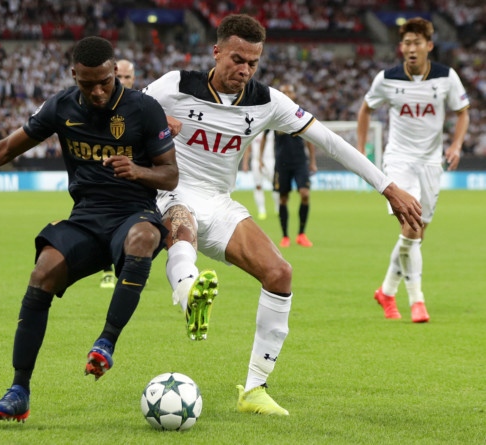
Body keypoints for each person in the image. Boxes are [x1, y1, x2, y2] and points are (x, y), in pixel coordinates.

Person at [143, 14, 422, 416]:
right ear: (216, 51)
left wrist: (388, 186)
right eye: (237, 59)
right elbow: (125, 111)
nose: (244, 70)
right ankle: (189, 295)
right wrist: (151, 121)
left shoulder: (266, 102)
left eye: (253, 63)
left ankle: (254, 390)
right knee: (182, 223)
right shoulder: (174, 86)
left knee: (280, 273)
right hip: (171, 191)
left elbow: (329, 140)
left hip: (220, 204)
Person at [0, 36, 178, 422]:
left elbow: (170, 175)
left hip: (132, 212)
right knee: (43, 271)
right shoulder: (61, 106)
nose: (99, 91)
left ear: (114, 70)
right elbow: (5, 148)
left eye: (106, 81)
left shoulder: (143, 109)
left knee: (143, 237)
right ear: (74, 76)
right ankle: (18, 390)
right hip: (86, 216)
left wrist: (138, 170)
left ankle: (106, 342)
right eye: (89, 84)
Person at [357, 17, 469, 323]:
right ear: (401, 47)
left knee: (417, 234)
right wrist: (362, 149)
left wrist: (456, 144)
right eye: (406, 43)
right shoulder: (387, 79)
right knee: (412, 226)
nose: (411, 48)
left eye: (417, 42)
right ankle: (417, 301)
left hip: (431, 163)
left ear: (429, 46)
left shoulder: (447, 78)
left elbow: (462, 113)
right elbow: (366, 109)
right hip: (399, 161)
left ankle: (386, 291)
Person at [261, 83, 317, 248]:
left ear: (294, 95)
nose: (286, 93)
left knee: (305, 194)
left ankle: (301, 234)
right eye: (283, 91)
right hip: (282, 163)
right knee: (283, 198)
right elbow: (264, 135)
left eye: (289, 91)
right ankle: (285, 236)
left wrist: (312, 161)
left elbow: (311, 138)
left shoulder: (301, 114)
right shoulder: (274, 114)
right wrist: (260, 158)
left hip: (300, 162)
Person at [99, 58, 138, 290]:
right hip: (105, 174)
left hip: (134, 175)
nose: (122, 81)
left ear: (134, 79)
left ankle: (126, 268)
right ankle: (106, 270)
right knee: (104, 220)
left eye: (127, 77)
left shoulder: (142, 106)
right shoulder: (102, 104)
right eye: (119, 77)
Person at [241, 130, 276, 220]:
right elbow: (248, 147)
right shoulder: (253, 131)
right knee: (258, 186)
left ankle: (277, 208)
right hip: (256, 161)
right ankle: (261, 210)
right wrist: (245, 163)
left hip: (270, 160)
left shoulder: (270, 131)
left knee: (276, 185)